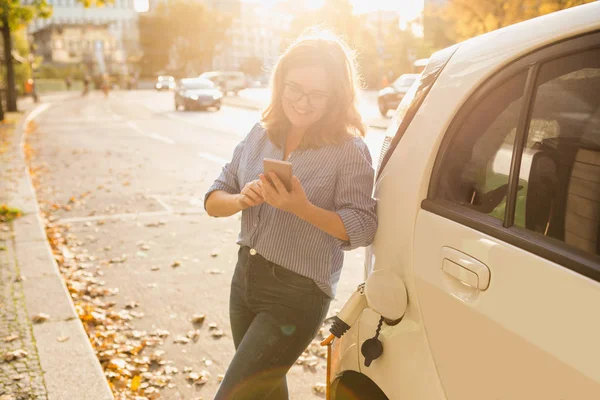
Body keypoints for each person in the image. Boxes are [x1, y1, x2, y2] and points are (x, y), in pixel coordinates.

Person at [204, 30, 378, 400]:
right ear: (280, 83)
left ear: (337, 97)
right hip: (245, 279)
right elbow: (213, 198)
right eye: (294, 88)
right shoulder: (259, 134)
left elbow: (363, 227)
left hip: (297, 294)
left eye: (317, 94)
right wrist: (240, 200)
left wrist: (303, 209)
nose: (302, 102)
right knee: (265, 394)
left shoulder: (349, 149)